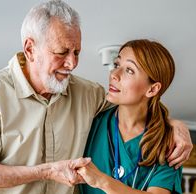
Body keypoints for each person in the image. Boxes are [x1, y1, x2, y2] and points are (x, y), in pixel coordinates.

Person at [0, 1, 192, 194]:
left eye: (76, 52)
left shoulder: (89, 96)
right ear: (30, 49)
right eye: (61, 52)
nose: (72, 64)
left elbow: (140, 107)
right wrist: (47, 171)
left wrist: (177, 126)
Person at [78, 39, 182, 194]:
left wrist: (102, 181)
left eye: (129, 70)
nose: (114, 74)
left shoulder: (167, 144)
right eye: (117, 65)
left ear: (152, 89)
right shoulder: (91, 120)